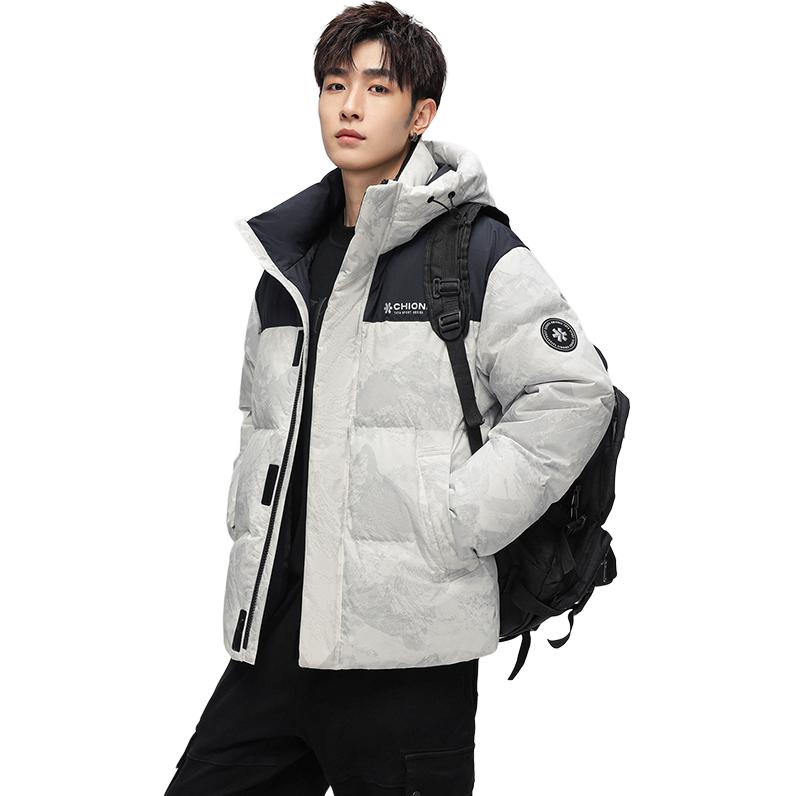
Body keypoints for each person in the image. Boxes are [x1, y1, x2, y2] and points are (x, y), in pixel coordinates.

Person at [164, 3, 615, 794]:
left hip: (410, 653)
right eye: (334, 85)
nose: (349, 106)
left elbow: (574, 392)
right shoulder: (285, 267)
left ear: (421, 114)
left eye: (377, 88)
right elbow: (259, 426)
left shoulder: (473, 250)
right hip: (279, 641)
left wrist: (457, 519)